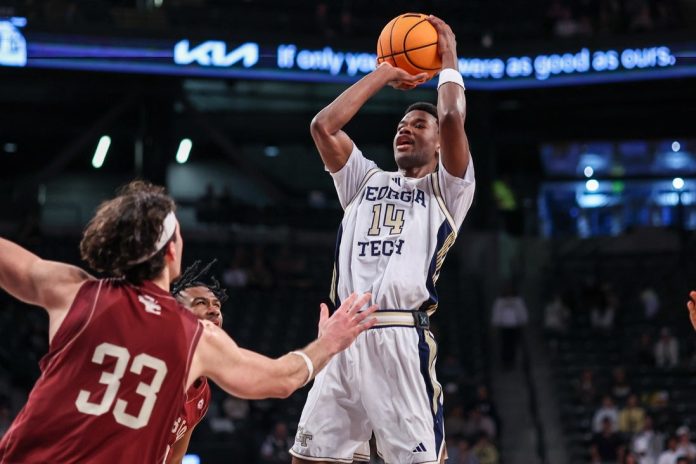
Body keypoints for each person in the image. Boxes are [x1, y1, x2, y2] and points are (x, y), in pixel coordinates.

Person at [0, 181, 377, 463]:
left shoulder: (74, 291)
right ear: (170, 250)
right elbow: (281, 379)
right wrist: (329, 342)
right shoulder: (196, 336)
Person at [290, 15, 476, 464]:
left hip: (399, 336)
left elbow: (452, 116)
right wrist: (386, 73)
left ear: (439, 144)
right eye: (401, 125)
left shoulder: (448, 189)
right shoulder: (363, 179)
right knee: (307, 459)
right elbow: (323, 126)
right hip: (342, 337)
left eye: (419, 125)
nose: (405, 129)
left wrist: (448, 55)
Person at [165, 259, 227, 463]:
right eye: (201, 303)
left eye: (217, 305)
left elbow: (175, 458)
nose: (214, 310)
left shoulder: (203, 393)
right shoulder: (153, 361)